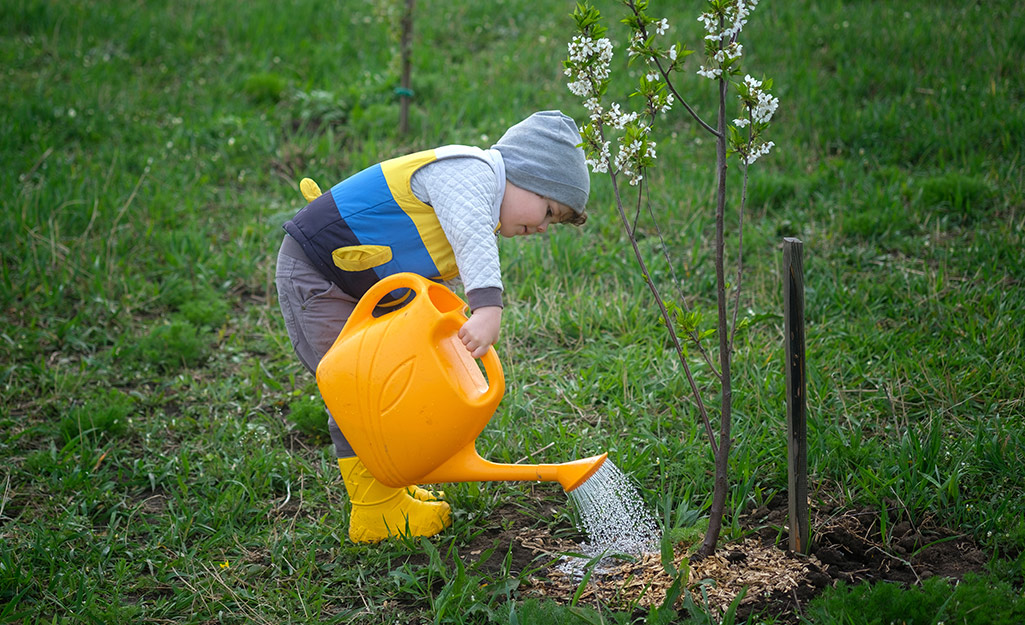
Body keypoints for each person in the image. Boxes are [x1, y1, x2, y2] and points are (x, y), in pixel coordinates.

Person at [275, 110, 590, 543]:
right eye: (549, 210)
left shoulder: (479, 193)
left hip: (357, 286)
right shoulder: (468, 171)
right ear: (525, 174)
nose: (542, 226)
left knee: (382, 382)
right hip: (318, 275)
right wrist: (486, 307)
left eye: (553, 222)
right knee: (357, 390)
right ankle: (376, 511)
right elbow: (470, 232)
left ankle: (389, 490)